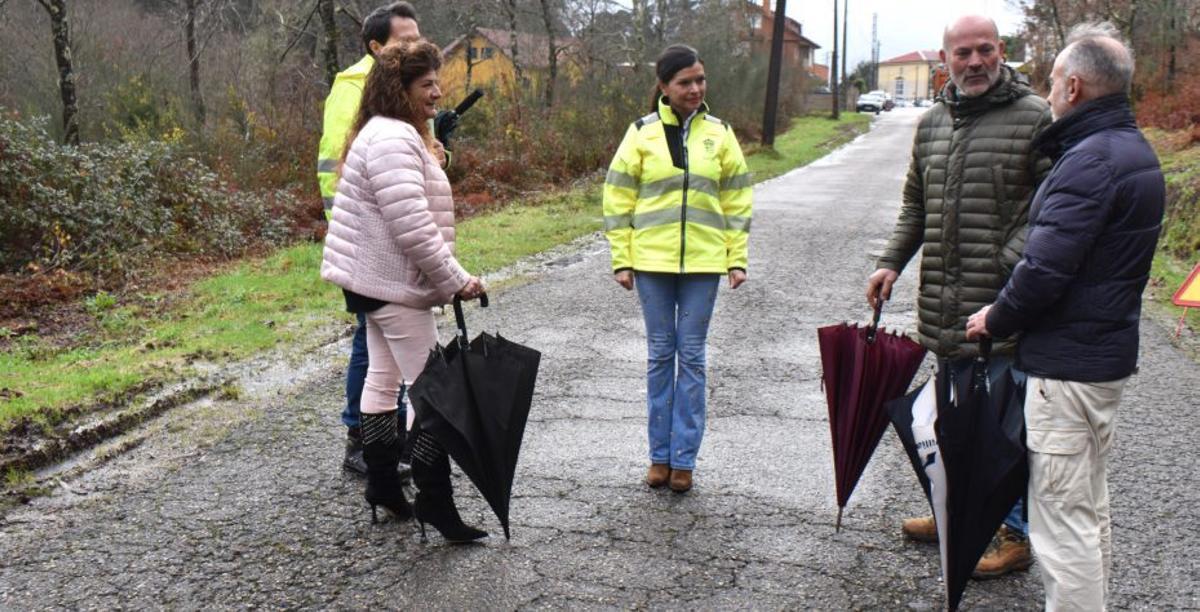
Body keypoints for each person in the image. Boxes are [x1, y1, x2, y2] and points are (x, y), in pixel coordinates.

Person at [966, 23, 1164, 609]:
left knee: (1060, 524)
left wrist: (995, 319)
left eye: (1054, 82)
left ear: (1074, 87)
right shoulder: (1132, 150)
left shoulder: (1089, 162)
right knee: (1087, 508)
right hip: (1101, 360)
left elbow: (1044, 270)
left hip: (1066, 370)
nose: (1049, 92)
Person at [865, 15, 1052, 577]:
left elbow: (1051, 210)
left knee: (1001, 429)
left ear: (1002, 52)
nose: (975, 62)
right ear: (944, 60)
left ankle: (1013, 533)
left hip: (1000, 305)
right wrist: (889, 262)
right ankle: (955, 514)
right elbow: (915, 208)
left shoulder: (1035, 116)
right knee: (950, 419)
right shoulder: (932, 122)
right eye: (963, 53)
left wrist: (1004, 265)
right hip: (942, 306)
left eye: (985, 50)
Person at [321, 40, 488, 542]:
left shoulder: (388, 133)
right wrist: (456, 280)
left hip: (374, 279)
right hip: (391, 282)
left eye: (437, 81)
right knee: (431, 391)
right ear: (399, 90)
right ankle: (436, 502)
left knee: (382, 378)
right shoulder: (393, 138)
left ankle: (383, 485)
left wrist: (431, 155)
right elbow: (413, 226)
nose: (437, 92)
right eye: (426, 84)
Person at [602, 44, 752, 494]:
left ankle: (684, 459)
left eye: (700, 80)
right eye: (685, 82)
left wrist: (736, 257)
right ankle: (658, 457)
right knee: (658, 357)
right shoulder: (640, 134)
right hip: (651, 264)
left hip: (703, 266)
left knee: (692, 358)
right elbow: (617, 199)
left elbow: (737, 199)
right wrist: (622, 258)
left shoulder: (721, 134)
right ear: (664, 86)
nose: (695, 88)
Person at [317, 3, 430, 477]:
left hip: (382, 242)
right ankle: (361, 440)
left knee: (382, 355)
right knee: (375, 347)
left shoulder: (405, 91)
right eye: (404, 41)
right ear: (376, 47)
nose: (414, 47)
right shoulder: (354, 89)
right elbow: (338, 164)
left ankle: (383, 456)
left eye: (416, 38)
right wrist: (351, 231)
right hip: (371, 247)